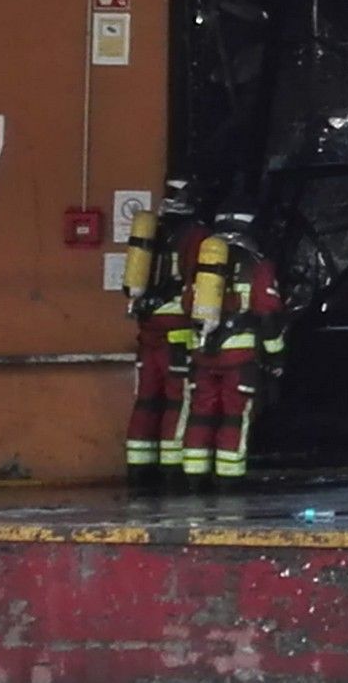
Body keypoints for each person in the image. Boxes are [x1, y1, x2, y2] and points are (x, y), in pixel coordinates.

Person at [180, 204, 287, 492]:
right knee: (234, 416)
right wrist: (276, 355)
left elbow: (187, 304)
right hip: (239, 358)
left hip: (203, 354)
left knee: (200, 413)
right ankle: (229, 479)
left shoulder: (203, 261)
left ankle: (193, 476)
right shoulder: (257, 263)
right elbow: (267, 314)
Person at [122, 178, 211, 493]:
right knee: (178, 400)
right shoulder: (198, 237)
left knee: (146, 399)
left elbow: (134, 283)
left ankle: (138, 467)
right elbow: (197, 285)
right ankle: (172, 471)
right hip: (178, 333)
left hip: (149, 331)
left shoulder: (152, 231)